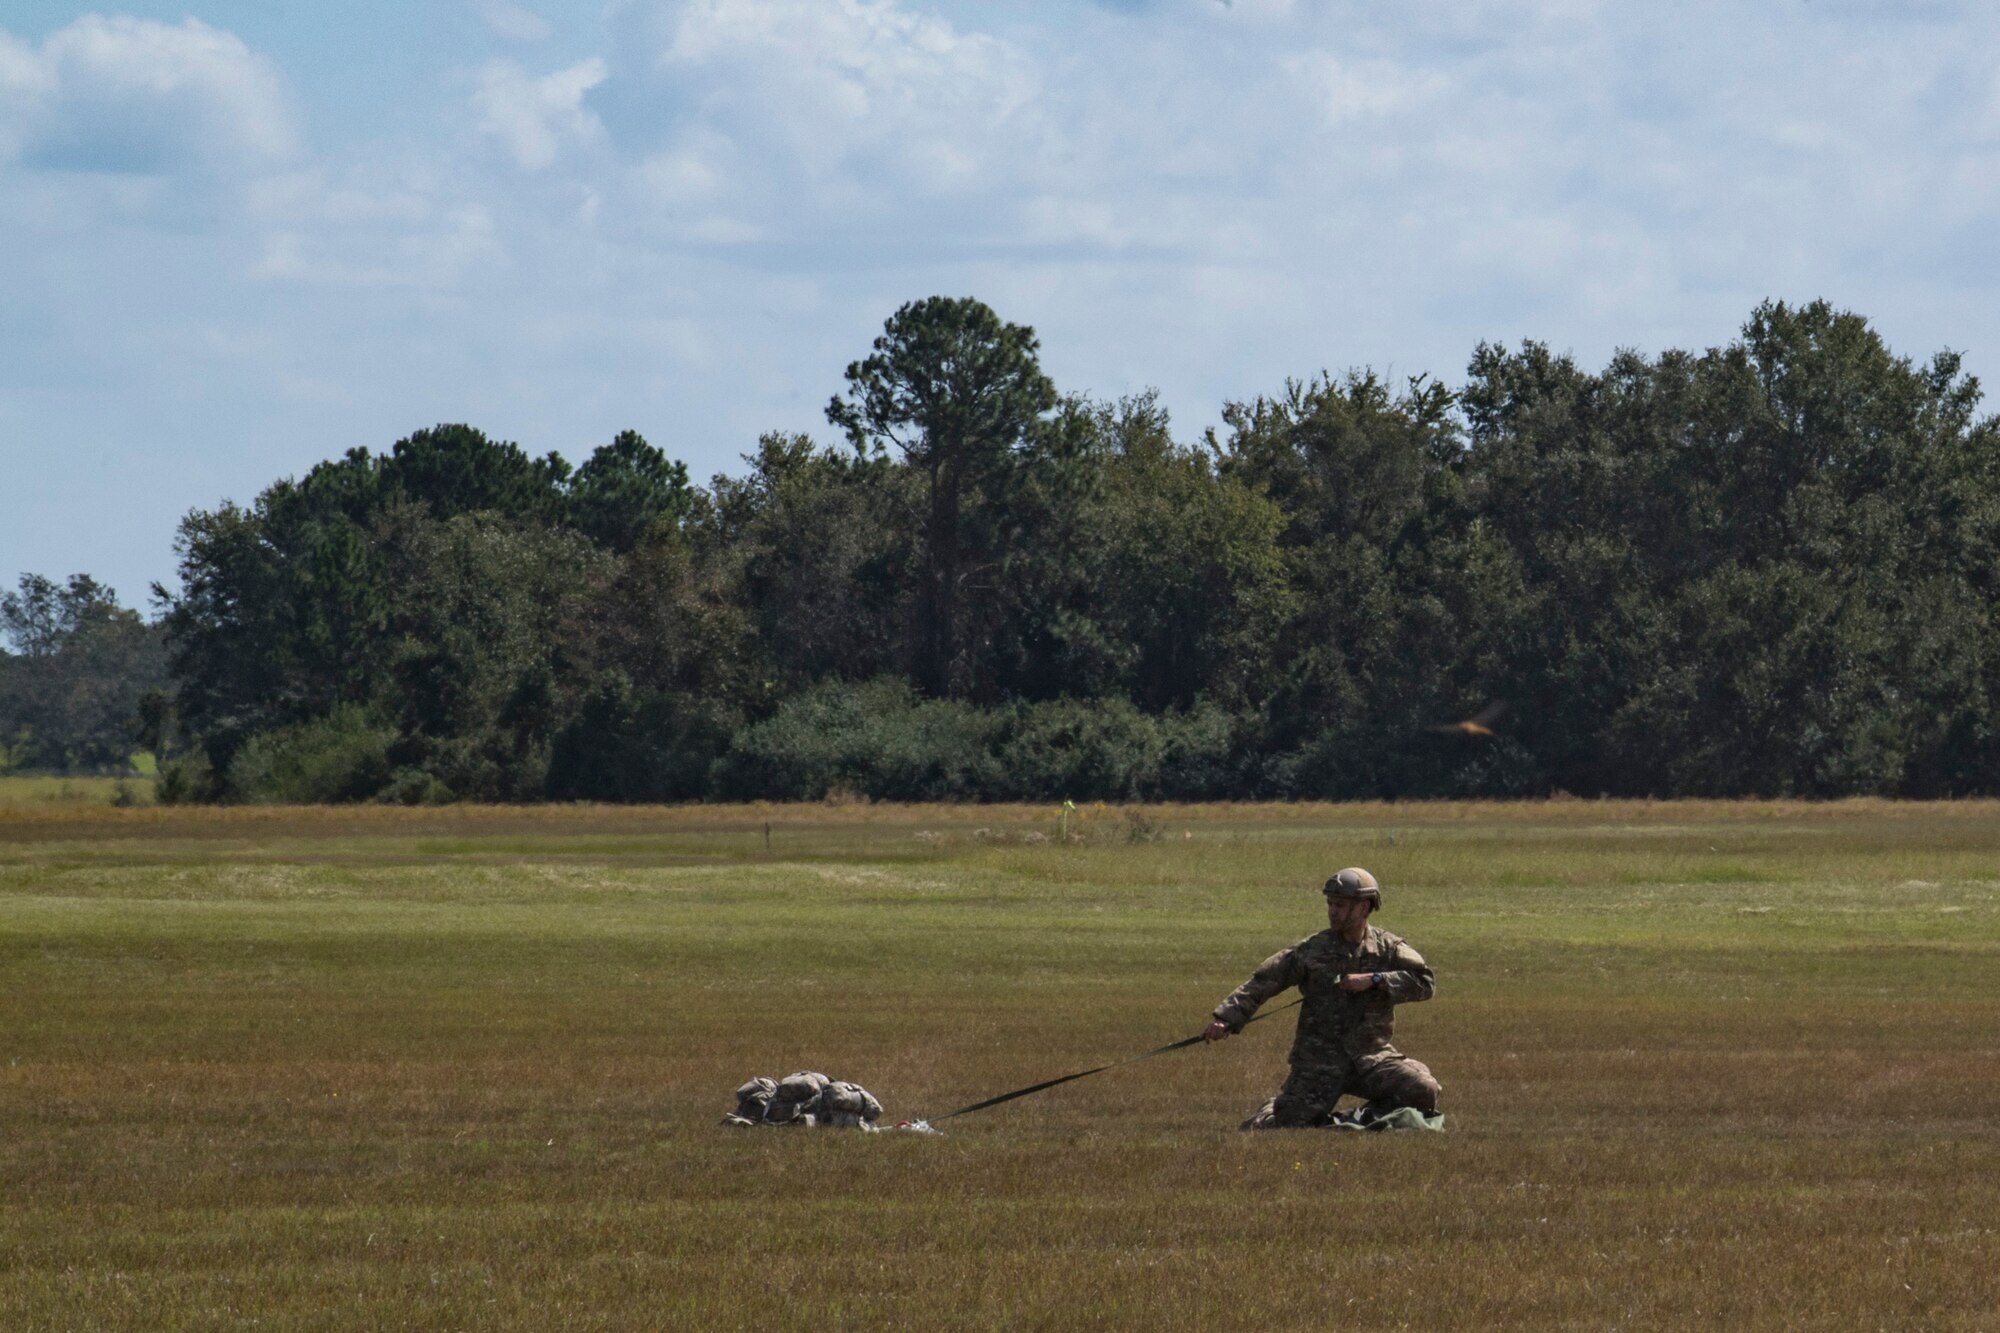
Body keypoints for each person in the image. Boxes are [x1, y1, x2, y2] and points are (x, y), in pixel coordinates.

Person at [1203, 867, 1441, 1129]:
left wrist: (1375, 980)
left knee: (1423, 1090)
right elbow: (1262, 981)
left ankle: (1366, 1119)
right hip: (1319, 1063)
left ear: (1364, 907)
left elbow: (1425, 982)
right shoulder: (1312, 951)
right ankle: (1272, 1109)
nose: (1332, 911)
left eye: (1340, 905)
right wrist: (1225, 1018)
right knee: (1289, 1125)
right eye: (1330, 903)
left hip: (1371, 1058)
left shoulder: (1389, 948)